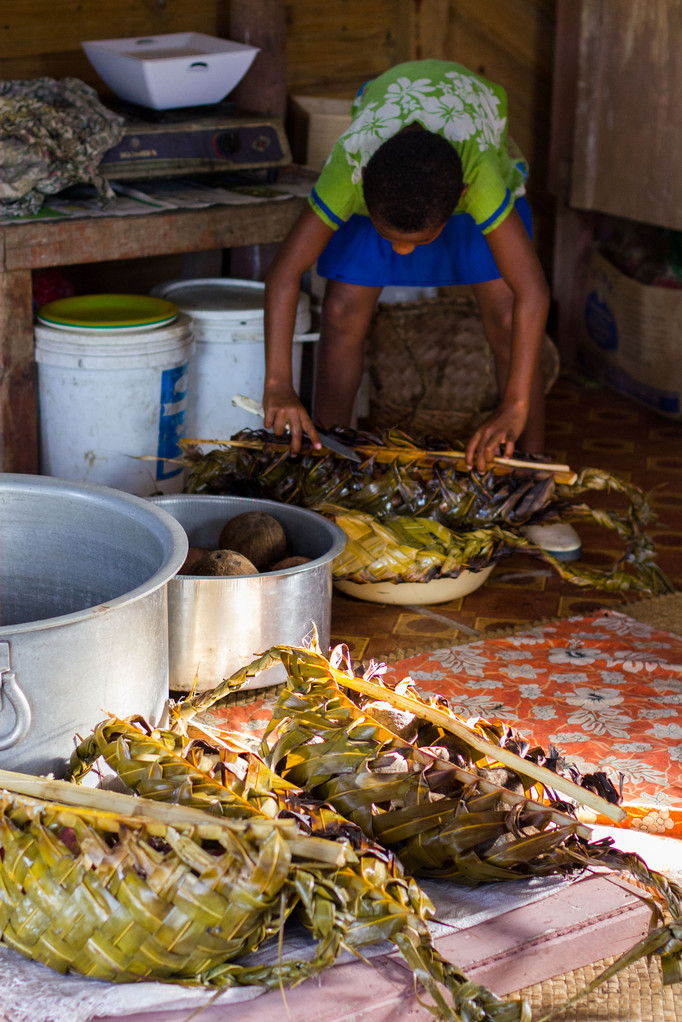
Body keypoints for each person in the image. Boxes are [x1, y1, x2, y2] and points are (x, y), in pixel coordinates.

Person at [263, 59, 580, 557]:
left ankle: (532, 487)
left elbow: (532, 292)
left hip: (469, 167)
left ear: (460, 199)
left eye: (420, 241)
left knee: (505, 316)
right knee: (343, 310)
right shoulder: (352, 164)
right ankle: (325, 479)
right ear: (363, 193)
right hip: (394, 178)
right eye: (395, 242)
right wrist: (279, 384)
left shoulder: (477, 173)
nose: (405, 254)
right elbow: (284, 273)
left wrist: (513, 406)